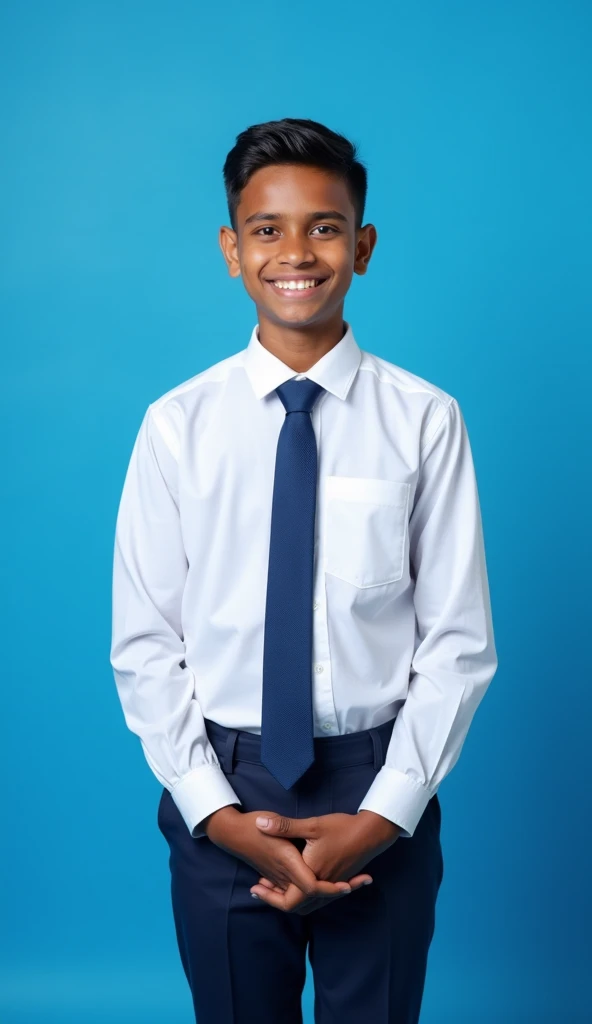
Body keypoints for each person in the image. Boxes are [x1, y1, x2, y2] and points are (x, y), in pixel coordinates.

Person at [109, 117, 498, 1024]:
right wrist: (217, 814)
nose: (296, 252)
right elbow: (144, 642)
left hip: (379, 783)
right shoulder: (176, 427)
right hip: (224, 784)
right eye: (266, 229)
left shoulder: (425, 421)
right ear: (231, 250)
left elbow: (458, 644)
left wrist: (384, 814)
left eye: (324, 227)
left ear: (362, 246)